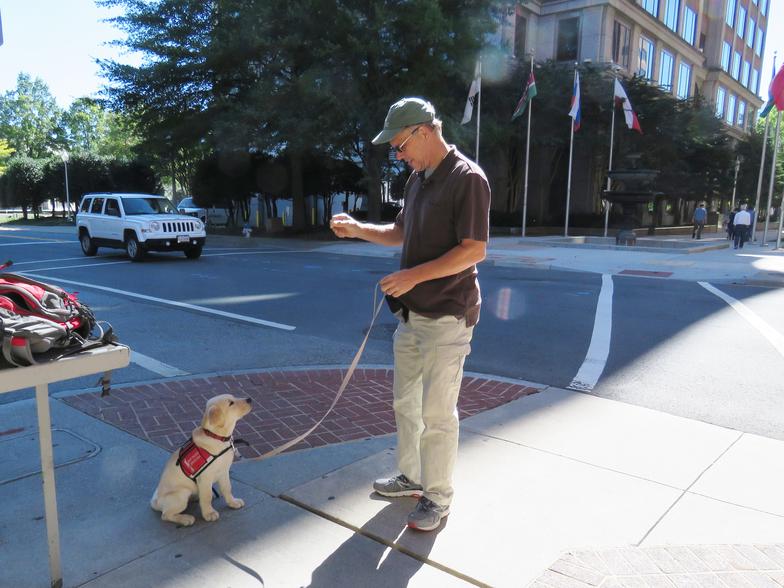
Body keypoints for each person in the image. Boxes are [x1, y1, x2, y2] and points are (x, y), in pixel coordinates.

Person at [330, 97, 490, 532]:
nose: (398, 155)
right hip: (412, 317)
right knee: (405, 403)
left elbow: (474, 250)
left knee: (438, 414)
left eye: (400, 145)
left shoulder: (467, 179)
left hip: (448, 317)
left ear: (423, 131)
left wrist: (415, 277)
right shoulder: (418, 180)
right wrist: (359, 229)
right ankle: (411, 477)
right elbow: (401, 232)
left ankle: (437, 497)